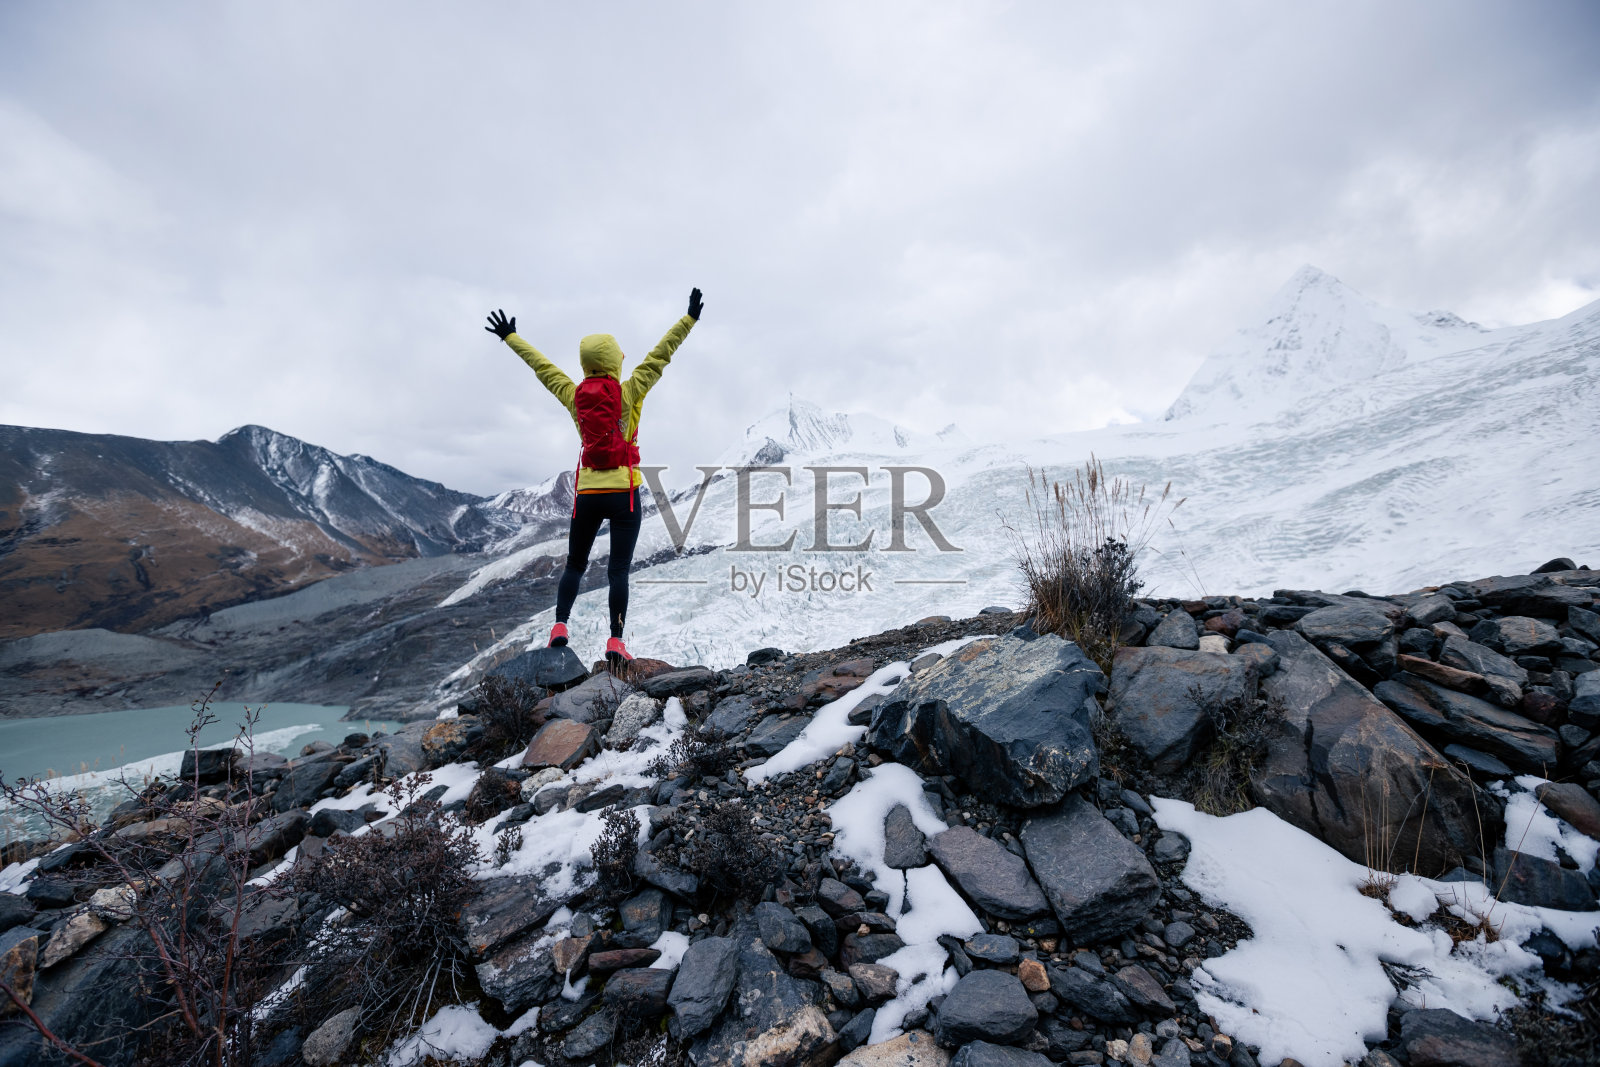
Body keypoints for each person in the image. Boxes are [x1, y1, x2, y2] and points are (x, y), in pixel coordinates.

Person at [485, 288, 703, 669]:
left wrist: (511, 337)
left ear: (586, 364)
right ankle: (616, 641)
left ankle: (559, 626)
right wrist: (688, 319)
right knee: (618, 570)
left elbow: (543, 367)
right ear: (615, 362)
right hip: (625, 494)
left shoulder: (575, 395)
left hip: (587, 492)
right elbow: (660, 355)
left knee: (575, 564)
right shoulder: (631, 391)